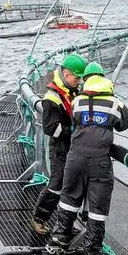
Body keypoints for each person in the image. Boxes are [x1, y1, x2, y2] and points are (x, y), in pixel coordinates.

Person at [49, 71, 128, 255]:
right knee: (97, 204)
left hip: (75, 157)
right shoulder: (114, 104)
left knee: (69, 196)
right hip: (99, 161)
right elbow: (125, 123)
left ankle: (60, 235)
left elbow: (75, 120)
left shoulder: (77, 101)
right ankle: (91, 248)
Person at [30, 53, 87, 235]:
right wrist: (74, 130)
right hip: (60, 150)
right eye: (76, 77)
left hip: (74, 148)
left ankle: (67, 224)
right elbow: (50, 128)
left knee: (73, 185)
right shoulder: (52, 98)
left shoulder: (74, 91)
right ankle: (39, 218)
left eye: (80, 78)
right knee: (56, 184)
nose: (78, 81)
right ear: (66, 74)